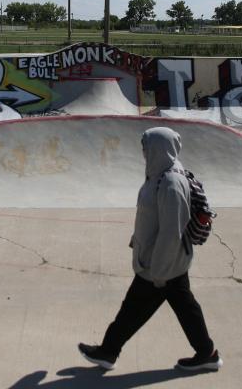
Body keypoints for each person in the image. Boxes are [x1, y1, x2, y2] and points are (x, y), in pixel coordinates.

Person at [79, 126, 222, 372]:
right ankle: (206, 353)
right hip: (164, 262)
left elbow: (171, 231)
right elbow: (152, 217)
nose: (144, 152)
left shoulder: (170, 183)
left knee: (133, 309)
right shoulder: (158, 175)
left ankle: (108, 352)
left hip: (161, 265)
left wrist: (158, 273)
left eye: (146, 147)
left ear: (159, 148)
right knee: (183, 308)